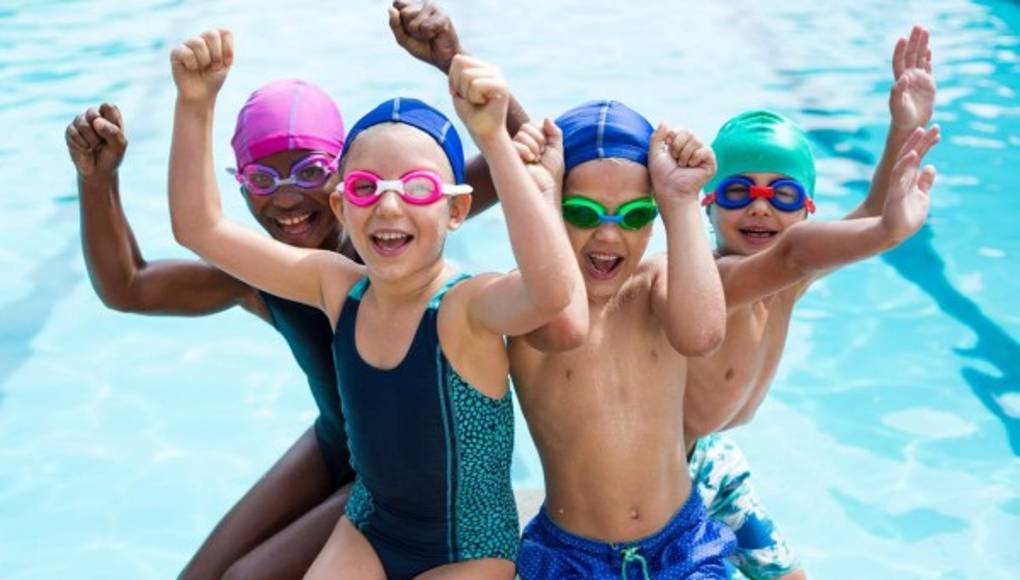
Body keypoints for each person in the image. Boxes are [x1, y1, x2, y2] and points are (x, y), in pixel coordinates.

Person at [64, 5, 529, 578]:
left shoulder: (392, 240)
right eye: (262, 179)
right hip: (336, 444)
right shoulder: (263, 273)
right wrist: (97, 181)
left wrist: (451, 59)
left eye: (308, 171)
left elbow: (527, 161)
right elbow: (129, 286)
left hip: (404, 477)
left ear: (344, 179)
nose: (285, 199)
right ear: (240, 187)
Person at [167, 26, 583, 580]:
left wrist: (496, 142)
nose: (389, 206)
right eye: (366, 188)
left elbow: (551, 291)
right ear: (342, 206)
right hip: (369, 527)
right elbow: (199, 228)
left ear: (456, 212)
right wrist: (196, 103)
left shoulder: (466, 307)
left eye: (417, 188)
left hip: (468, 547)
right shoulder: (337, 288)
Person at [683, 26, 939, 578]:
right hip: (663, 476)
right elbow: (800, 251)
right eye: (738, 192)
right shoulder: (708, 281)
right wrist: (888, 231)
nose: (760, 208)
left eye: (782, 195)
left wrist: (903, 127)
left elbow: (871, 213)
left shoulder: (786, 282)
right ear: (707, 205)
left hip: (713, 457)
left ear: (806, 210)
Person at [509, 100, 736, 579]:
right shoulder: (528, 300)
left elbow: (702, 335)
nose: (609, 236)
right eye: (582, 213)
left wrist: (681, 201)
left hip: (682, 544)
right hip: (570, 557)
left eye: (634, 216)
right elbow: (564, 324)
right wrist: (541, 196)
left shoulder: (656, 285)